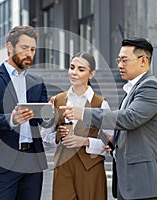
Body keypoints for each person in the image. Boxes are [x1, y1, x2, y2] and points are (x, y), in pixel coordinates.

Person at [60, 38, 157, 200]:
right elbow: (132, 128)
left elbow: (130, 118)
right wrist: (114, 142)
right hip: (131, 183)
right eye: (119, 60)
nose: (120, 65)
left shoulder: (151, 87)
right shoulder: (132, 90)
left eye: (125, 60)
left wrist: (83, 113)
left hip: (144, 184)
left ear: (143, 61)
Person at [0, 25, 53, 200]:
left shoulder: (37, 81)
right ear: (10, 47)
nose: (29, 53)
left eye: (32, 49)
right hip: (3, 162)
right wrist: (12, 119)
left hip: (33, 161)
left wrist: (50, 113)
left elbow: (45, 122)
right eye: (24, 48)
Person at [45, 52, 112, 200]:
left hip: (91, 168)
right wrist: (58, 136)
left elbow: (111, 142)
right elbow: (45, 137)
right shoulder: (57, 100)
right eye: (72, 67)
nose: (74, 72)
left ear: (91, 74)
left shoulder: (100, 103)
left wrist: (85, 141)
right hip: (63, 167)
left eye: (81, 69)